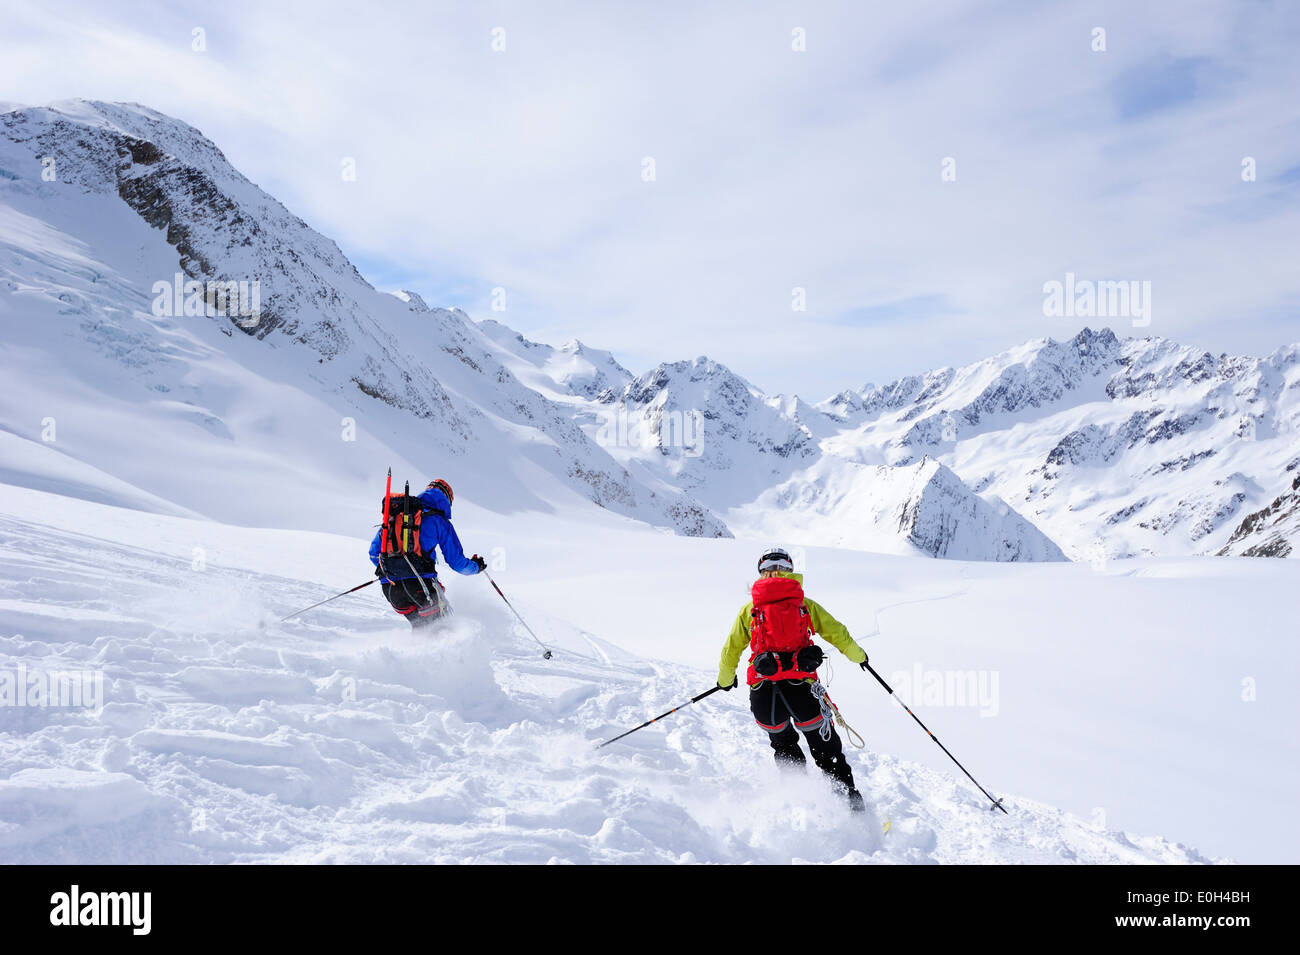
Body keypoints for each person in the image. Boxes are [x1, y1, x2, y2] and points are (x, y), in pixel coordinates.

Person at [717, 547, 869, 811]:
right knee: (827, 752)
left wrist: (725, 679)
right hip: (803, 692)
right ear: (790, 572)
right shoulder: (805, 605)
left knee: (784, 746)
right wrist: (859, 656)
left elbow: (731, 648)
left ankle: (800, 807)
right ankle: (851, 810)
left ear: (761, 573)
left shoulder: (749, 609)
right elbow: (837, 632)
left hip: (765, 696)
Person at [369, 478, 486, 628]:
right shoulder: (439, 520)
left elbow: (374, 554)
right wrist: (476, 567)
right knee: (443, 631)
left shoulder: (397, 517)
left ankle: (413, 651)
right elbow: (457, 563)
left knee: (422, 631)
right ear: (447, 499)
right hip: (421, 587)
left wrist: (397, 568)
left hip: (391, 589)